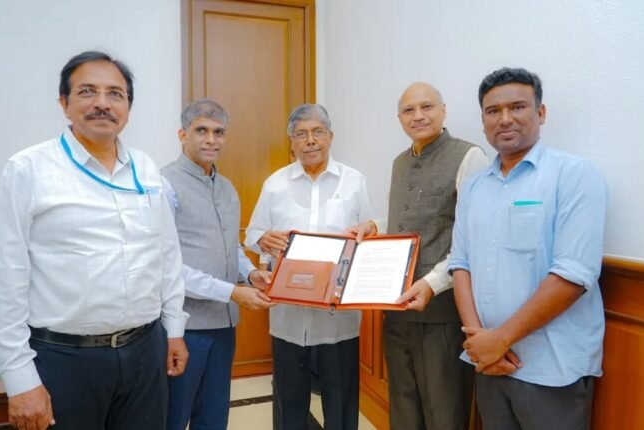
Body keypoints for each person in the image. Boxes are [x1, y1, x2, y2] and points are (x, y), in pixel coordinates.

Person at [0, 51, 188, 430]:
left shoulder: (145, 169)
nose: (102, 103)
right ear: (64, 102)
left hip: (145, 352)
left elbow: (167, 256)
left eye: (115, 94)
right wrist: (20, 380)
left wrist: (173, 330)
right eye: (88, 91)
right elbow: (2, 278)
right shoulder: (28, 169)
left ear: (128, 106)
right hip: (63, 359)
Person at [449, 67, 607, 430]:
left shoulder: (574, 175)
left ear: (541, 112)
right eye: (493, 111)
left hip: (551, 367)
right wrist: (480, 341)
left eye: (517, 107)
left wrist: (499, 340)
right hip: (488, 361)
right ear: (483, 120)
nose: (504, 119)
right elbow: (460, 264)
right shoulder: (474, 186)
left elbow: (573, 275)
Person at [352, 82, 489, 429]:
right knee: (403, 406)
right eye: (409, 110)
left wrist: (432, 283)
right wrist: (375, 225)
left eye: (427, 107)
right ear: (399, 118)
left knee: (444, 411)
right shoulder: (400, 162)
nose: (418, 116)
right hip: (397, 307)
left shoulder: (469, 156)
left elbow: (473, 237)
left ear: (444, 110)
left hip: (442, 309)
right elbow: (408, 219)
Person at [245, 104, 377, 430]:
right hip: (289, 315)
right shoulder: (275, 184)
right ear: (291, 142)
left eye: (318, 132)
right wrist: (263, 239)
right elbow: (252, 234)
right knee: (289, 401)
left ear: (331, 136)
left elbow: (374, 228)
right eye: (301, 134)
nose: (310, 140)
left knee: (341, 400)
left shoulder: (354, 181)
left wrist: (371, 228)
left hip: (338, 315)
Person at [161, 99, 274, 430]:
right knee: (173, 416)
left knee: (213, 417)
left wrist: (250, 273)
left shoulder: (226, 188)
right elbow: (167, 267)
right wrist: (233, 293)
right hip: (183, 328)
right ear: (183, 134)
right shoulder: (163, 184)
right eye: (202, 131)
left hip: (224, 327)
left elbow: (230, 246)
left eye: (219, 132)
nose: (211, 139)